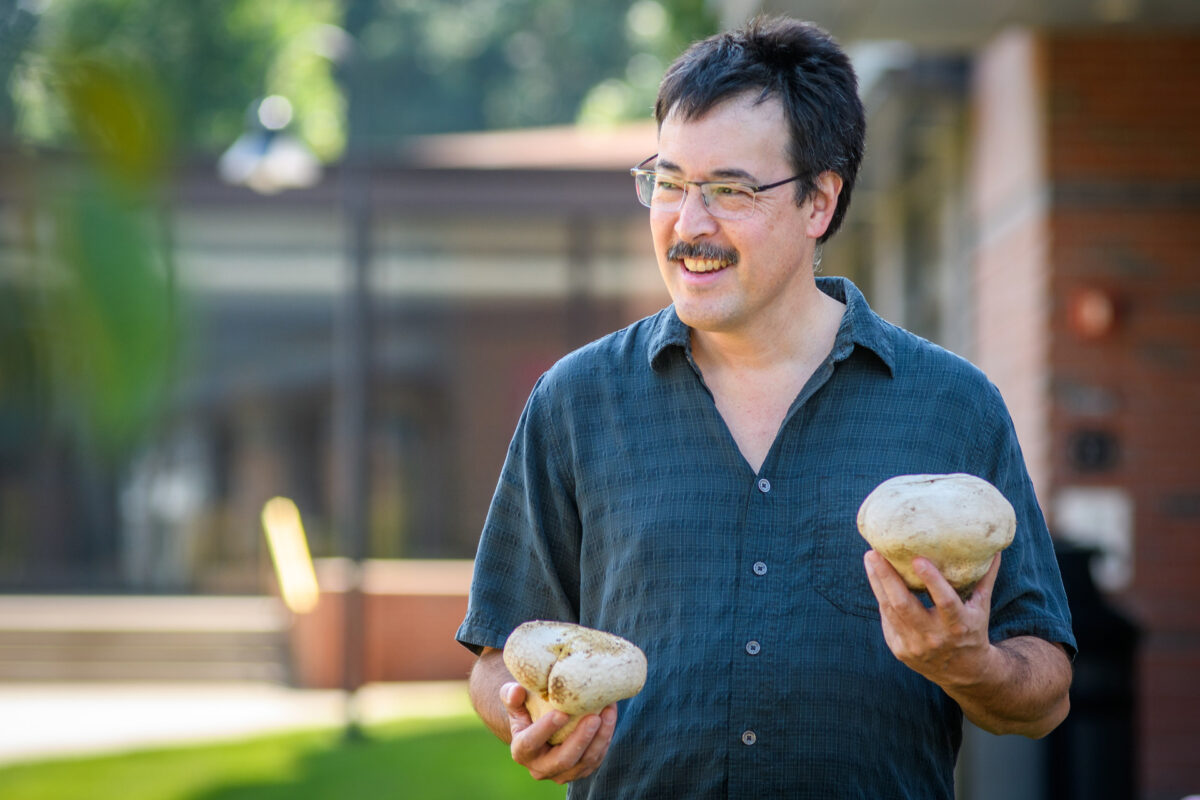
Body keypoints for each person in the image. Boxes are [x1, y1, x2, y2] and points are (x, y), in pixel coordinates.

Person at [456, 15, 1075, 799]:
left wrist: (972, 665)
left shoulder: (952, 405)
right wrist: (522, 715)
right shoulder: (576, 401)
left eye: (730, 190)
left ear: (819, 202)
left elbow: (1046, 693)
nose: (689, 224)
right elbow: (495, 655)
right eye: (671, 182)